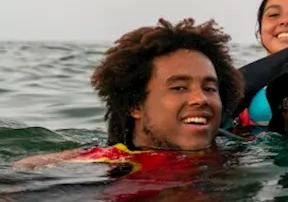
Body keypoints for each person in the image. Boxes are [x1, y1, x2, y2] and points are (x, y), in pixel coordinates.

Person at [14, 18, 242, 169]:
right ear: (135, 104)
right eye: (179, 87)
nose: (200, 98)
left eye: (210, 88)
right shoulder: (104, 164)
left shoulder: (240, 155)